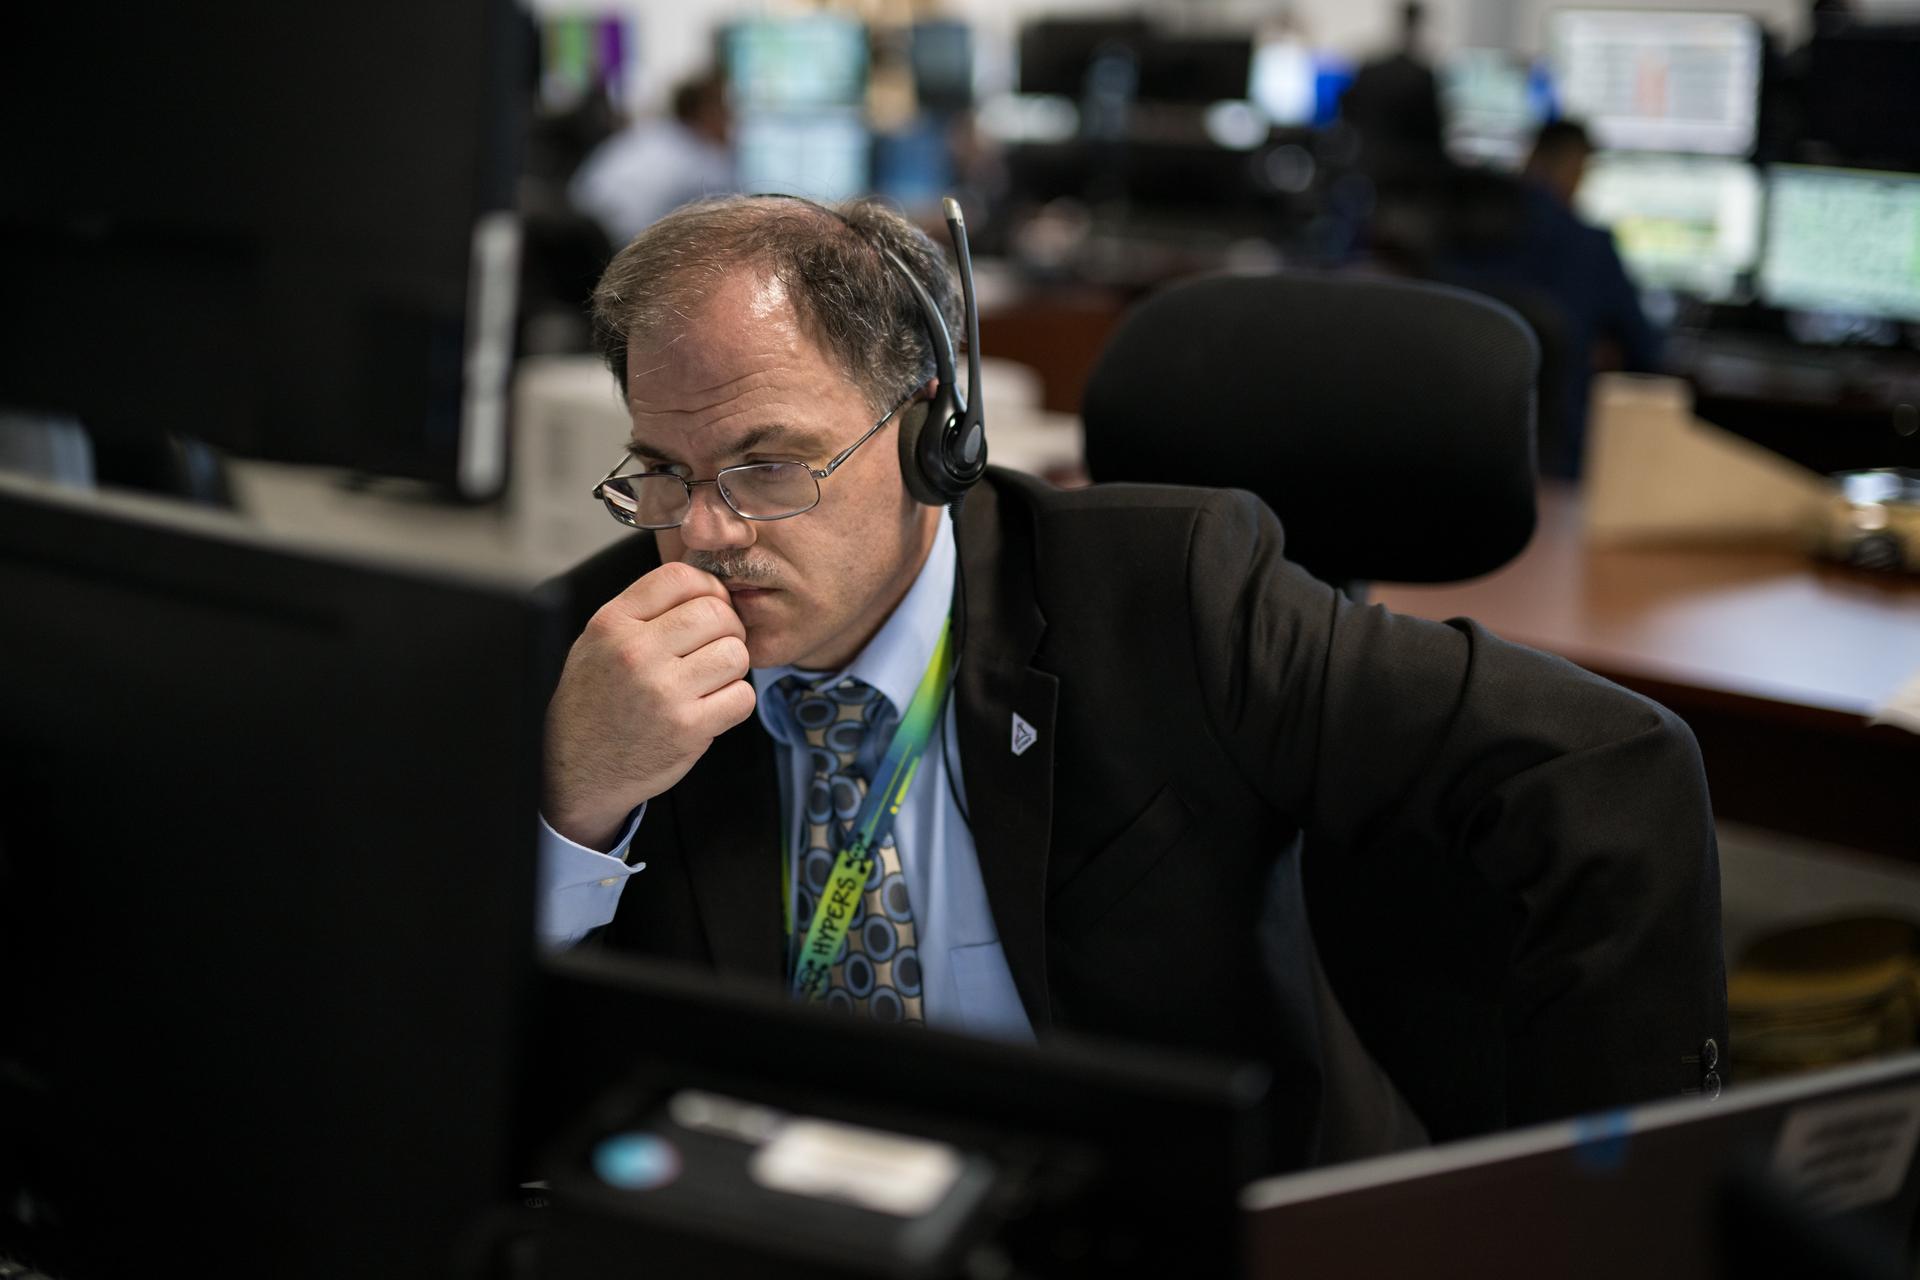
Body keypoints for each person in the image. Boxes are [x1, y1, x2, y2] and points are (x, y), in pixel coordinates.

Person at [536, 194, 1726, 1167]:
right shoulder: (607, 651)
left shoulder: (1168, 598)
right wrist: (572, 811)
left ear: (933, 436)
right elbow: (453, 1063)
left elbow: (1611, 765)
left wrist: (1603, 1207)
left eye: (768, 466)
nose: (703, 533)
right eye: (660, 471)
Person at [1440, 119, 1664, 479]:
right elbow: (1648, 355)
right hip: (1556, 468)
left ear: (1530, 157)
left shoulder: (1458, 228)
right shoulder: (1589, 246)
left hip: (1452, 458)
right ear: (1576, 166)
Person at [569, 70, 735, 246]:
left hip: (578, 239)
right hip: (623, 249)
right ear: (707, 112)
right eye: (726, 111)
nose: (732, 122)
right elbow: (732, 224)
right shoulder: (702, 161)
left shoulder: (648, 134)